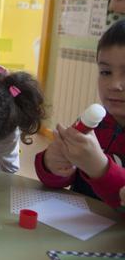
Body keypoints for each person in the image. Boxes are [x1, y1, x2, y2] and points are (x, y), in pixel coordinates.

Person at [35, 20, 125, 208]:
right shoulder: (95, 125)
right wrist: (52, 164)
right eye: (106, 72)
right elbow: (58, 181)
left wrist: (100, 169)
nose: (114, 85)